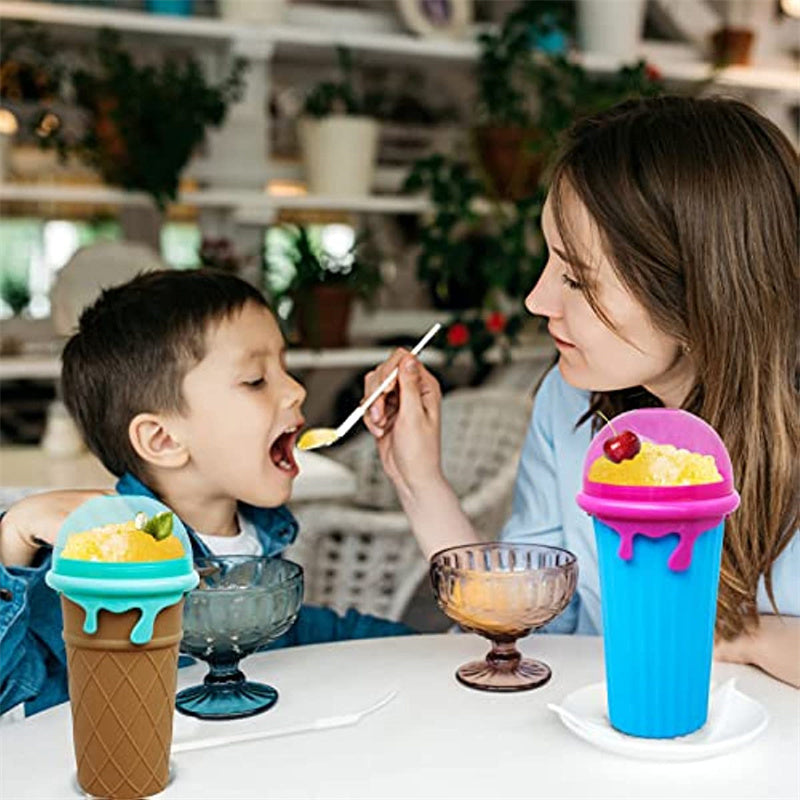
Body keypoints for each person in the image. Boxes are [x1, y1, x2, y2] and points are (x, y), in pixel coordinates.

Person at [361, 96, 799, 687]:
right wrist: (417, 478)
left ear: (696, 292)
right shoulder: (570, 406)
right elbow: (531, 625)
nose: (537, 301)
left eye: (577, 277)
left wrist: (743, 634)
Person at [0, 269, 411, 717]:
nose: (296, 391)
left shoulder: (258, 539)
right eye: (255, 380)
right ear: (163, 440)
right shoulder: (96, 558)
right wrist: (12, 540)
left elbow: (299, 636)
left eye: (285, 369)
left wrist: (431, 649)